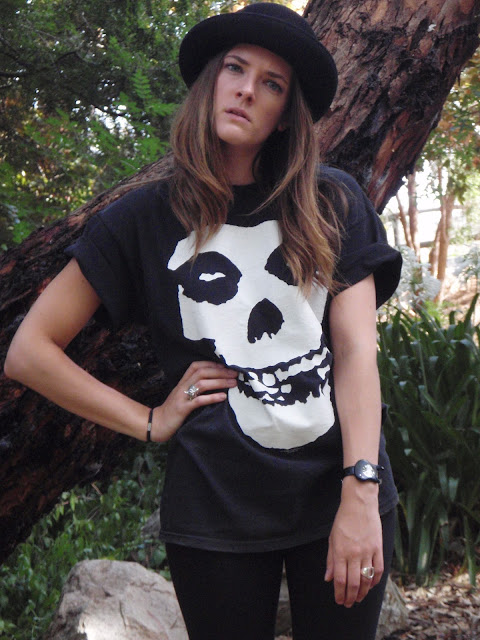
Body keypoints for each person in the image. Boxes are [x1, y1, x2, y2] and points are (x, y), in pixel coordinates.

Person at [4, 4, 402, 639]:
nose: (246, 90)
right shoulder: (141, 220)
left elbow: (356, 352)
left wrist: (361, 489)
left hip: (341, 489)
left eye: (271, 83)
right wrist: (149, 421)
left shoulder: (332, 201)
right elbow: (30, 350)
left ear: (284, 115)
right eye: (235, 69)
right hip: (216, 507)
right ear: (211, 81)